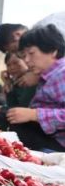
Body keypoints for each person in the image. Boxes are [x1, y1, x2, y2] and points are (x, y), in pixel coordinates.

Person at [6, 24, 65, 152]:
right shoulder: (48, 74)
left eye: (31, 53)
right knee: (6, 117)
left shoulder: (62, 73)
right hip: (48, 134)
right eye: (24, 55)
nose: (27, 60)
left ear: (53, 50)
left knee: (4, 120)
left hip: (58, 143)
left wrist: (35, 115)